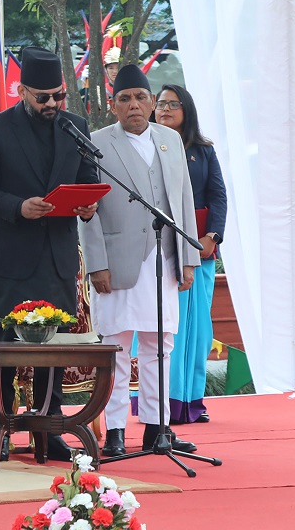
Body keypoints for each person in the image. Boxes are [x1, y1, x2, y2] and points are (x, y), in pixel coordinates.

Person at [0, 46, 100, 463]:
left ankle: (49, 427)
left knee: (54, 346)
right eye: (43, 97)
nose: (52, 104)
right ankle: (2, 426)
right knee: (7, 345)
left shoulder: (75, 126)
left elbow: (88, 178)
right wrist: (18, 206)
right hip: (12, 257)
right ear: (22, 91)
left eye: (58, 96)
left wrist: (88, 204)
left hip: (57, 256)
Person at [81, 66, 201, 457]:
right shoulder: (97, 142)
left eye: (140, 97)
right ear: (113, 105)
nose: (133, 105)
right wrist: (96, 264)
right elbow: (87, 211)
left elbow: (183, 200)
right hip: (117, 262)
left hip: (164, 259)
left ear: (151, 103)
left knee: (159, 346)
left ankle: (157, 427)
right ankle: (115, 430)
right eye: (125, 99)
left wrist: (188, 259)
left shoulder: (170, 139)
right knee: (116, 347)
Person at [153, 84, 225, 424]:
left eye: (173, 104)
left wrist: (212, 236)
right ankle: (158, 402)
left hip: (199, 248)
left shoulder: (203, 151)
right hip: (160, 249)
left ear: (187, 110)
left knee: (197, 329)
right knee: (166, 327)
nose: (165, 109)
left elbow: (218, 196)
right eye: (160, 104)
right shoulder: (146, 145)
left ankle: (190, 401)